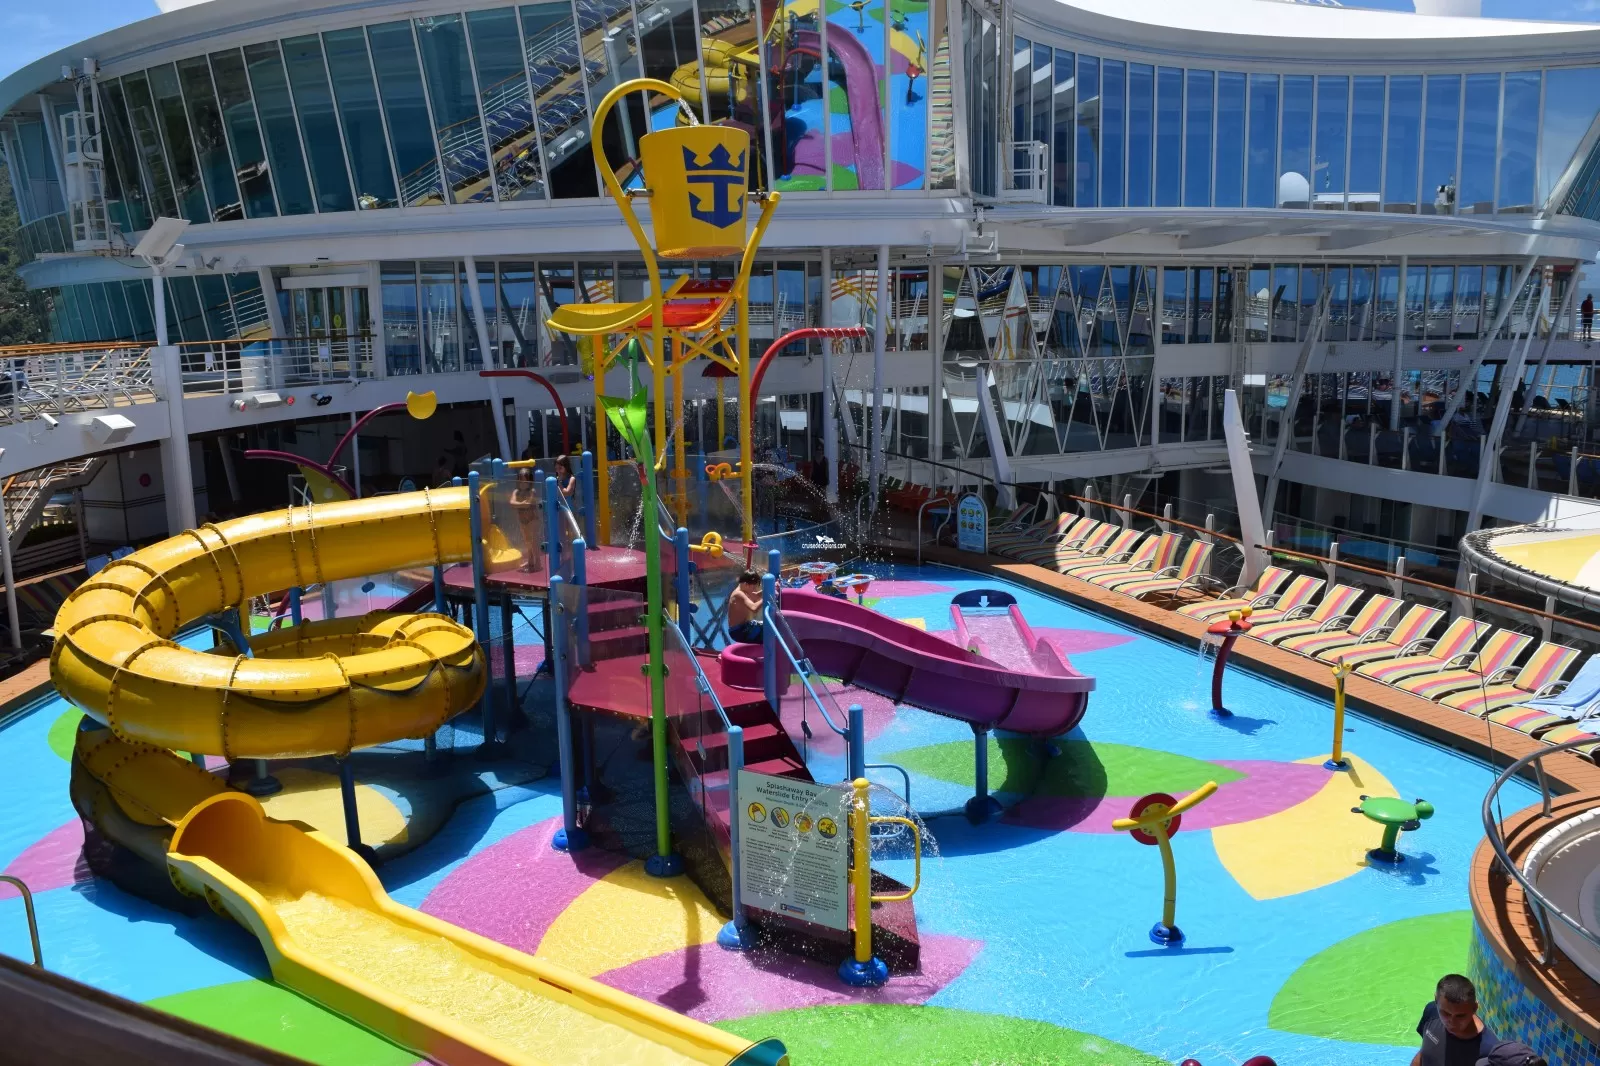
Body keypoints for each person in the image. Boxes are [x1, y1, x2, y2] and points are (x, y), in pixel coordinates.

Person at [1413, 974, 1497, 1066]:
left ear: (1474, 1008)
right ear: (1436, 1000)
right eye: (1446, 1013)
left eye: (1460, 1016)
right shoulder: (1431, 1012)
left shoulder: (1489, 1050)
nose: (1452, 1022)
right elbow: (1424, 1053)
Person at [508, 469, 540, 571]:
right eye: (520, 481)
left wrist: (519, 504)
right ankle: (530, 560)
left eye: (525, 481)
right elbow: (512, 503)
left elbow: (528, 504)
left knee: (533, 541)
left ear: (530, 482)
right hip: (522, 520)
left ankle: (538, 562)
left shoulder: (532, 491)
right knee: (527, 541)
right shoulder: (516, 491)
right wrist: (522, 504)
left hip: (532, 519)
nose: (522, 484)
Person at [726, 570, 766, 644]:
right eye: (753, 587)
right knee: (769, 635)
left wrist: (770, 589)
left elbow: (755, 595)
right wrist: (766, 597)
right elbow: (754, 608)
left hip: (744, 627)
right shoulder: (738, 594)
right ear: (746, 584)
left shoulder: (743, 590)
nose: (755, 590)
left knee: (768, 626)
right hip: (739, 632)